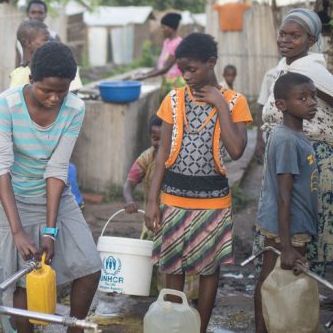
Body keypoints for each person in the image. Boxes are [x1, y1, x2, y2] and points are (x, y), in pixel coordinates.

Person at [145, 33, 252, 333]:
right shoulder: (174, 99)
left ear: (211, 63)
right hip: (174, 199)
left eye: (193, 69)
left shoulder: (235, 102)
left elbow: (236, 150)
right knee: (173, 268)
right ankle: (174, 325)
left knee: (209, 269)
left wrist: (220, 104)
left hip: (214, 202)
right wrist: (153, 201)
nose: (187, 76)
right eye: (183, 70)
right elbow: (163, 152)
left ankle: (200, 327)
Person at [0, 42, 101, 333]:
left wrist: (51, 231)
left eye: (62, 91)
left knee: (90, 268)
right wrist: (17, 230)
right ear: (31, 80)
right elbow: (1, 167)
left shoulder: (75, 108)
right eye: (46, 90)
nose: (54, 98)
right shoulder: (7, 103)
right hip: (13, 198)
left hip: (56, 197)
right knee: (24, 279)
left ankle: (74, 329)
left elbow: (57, 168)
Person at [253, 9, 333, 277]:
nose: (285, 40)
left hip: (311, 158)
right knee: (281, 216)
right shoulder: (282, 68)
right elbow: (265, 108)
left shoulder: (312, 70)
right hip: (285, 151)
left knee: (297, 221)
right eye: (282, 34)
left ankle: (294, 288)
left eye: (294, 36)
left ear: (311, 40)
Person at [253, 72, 319, 332]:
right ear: (281, 105)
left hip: (295, 226)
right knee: (272, 282)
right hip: (286, 230)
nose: (311, 102)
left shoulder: (296, 136)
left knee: (277, 282)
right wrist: (287, 246)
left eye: (313, 96)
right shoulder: (287, 140)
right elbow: (284, 195)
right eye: (302, 98)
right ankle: (264, 328)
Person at [123, 116, 199, 298]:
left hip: (179, 220)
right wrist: (129, 200)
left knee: (182, 266)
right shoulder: (147, 156)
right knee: (152, 271)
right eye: (154, 138)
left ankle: (185, 303)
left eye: (162, 138)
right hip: (153, 224)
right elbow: (128, 184)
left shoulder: (182, 157)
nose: (157, 142)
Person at [136, 13, 185, 96]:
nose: (161, 30)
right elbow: (160, 66)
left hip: (175, 83)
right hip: (167, 81)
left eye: (163, 27)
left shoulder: (177, 43)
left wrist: (145, 77)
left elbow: (166, 68)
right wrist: (145, 74)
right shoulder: (167, 42)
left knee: (173, 108)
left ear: (171, 28)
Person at [15, 0, 60, 66]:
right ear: (28, 14)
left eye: (40, 13)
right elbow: (18, 63)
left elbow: (60, 61)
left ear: (45, 15)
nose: (36, 16)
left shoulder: (54, 37)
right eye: (33, 12)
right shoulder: (22, 38)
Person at [10, 20, 50, 88]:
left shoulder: (43, 68)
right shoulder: (21, 76)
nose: (49, 43)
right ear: (28, 43)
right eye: (45, 40)